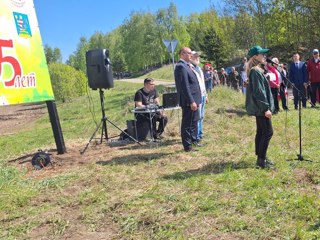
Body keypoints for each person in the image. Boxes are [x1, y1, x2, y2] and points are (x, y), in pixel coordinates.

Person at [245, 45, 275, 169]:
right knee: (268, 132)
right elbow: (259, 92)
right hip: (261, 108)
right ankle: (261, 161)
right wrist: (265, 108)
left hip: (259, 108)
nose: (264, 56)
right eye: (262, 54)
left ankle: (261, 156)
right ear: (255, 57)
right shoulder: (255, 71)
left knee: (261, 132)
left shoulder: (257, 70)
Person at [174, 47, 201, 152]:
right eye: (189, 53)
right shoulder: (181, 67)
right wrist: (191, 101)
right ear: (182, 54)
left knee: (194, 122)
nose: (191, 55)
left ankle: (193, 141)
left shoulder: (187, 66)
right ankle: (188, 146)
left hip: (195, 99)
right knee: (187, 124)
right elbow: (184, 86)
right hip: (189, 101)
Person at [190, 51, 208, 142]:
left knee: (201, 116)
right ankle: (196, 136)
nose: (197, 58)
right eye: (195, 56)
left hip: (203, 95)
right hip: (197, 96)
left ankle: (200, 134)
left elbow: (202, 83)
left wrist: (206, 95)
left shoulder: (199, 68)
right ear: (191, 57)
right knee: (197, 117)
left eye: (198, 56)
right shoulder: (190, 68)